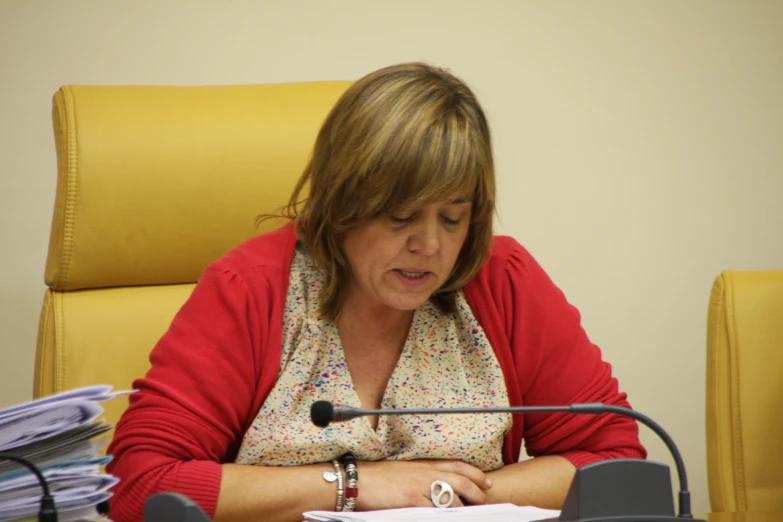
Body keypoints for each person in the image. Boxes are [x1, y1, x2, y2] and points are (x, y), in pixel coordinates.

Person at [105, 62, 646, 522]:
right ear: (341, 206)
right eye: (400, 216)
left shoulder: (500, 279)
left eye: (453, 218)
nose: (430, 245)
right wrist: (355, 486)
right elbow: (139, 486)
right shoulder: (251, 289)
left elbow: (614, 460)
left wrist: (442, 495)